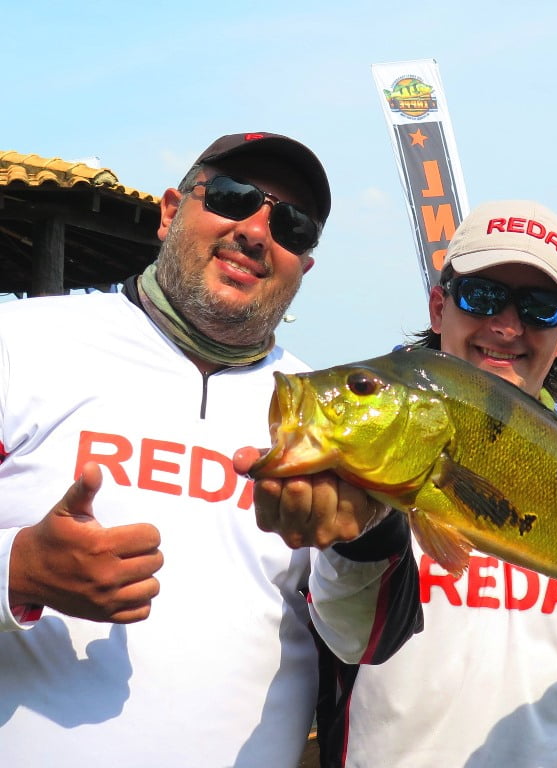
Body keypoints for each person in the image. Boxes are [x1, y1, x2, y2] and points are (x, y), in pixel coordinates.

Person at [0, 132, 421, 768]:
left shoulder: (332, 406)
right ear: (170, 212)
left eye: (293, 225)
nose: (255, 231)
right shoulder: (21, 342)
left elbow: (365, 641)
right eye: (231, 196)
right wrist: (18, 571)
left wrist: (365, 537)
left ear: (304, 267)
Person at [242, 199, 557, 768]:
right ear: (440, 307)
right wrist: (361, 537)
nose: (506, 326)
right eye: (481, 297)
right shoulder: (360, 483)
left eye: (538, 308)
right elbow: (351, 638)